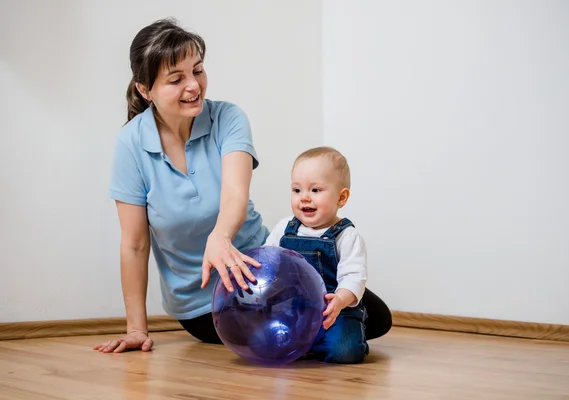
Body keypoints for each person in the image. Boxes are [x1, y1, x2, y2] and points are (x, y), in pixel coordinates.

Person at [95, 18, 391, 355]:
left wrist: (220, 238)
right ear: (145, 90)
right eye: (176, 79)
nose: (194, 86)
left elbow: (236, 194)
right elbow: (134, 244)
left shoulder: (227, 118)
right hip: (202, 302)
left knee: (377, 318)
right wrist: (136, 328)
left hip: (263, 270)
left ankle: (307, 334)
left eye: (198, 70)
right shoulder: (131, 144)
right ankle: (307, 337)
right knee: (304, 332)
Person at [263, 146, 384, 363]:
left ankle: (341, 338)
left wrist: (340, 299)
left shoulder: (347, 236)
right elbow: (267, 258)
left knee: (344, 351)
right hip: (294, 308)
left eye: (315, 190)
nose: (304, 198)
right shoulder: (284, 228)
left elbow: (354, 277)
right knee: (266, 341)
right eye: (297, 190)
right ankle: (305, 342)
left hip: (333, 311)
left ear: (342, 197)